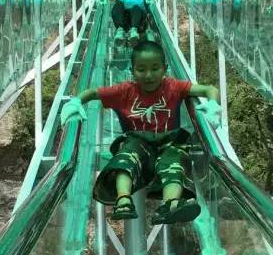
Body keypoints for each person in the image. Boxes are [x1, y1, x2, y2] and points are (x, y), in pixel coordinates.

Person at [60, 40, 221, 224]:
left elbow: (210, 89)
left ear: (165, 68)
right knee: (126, 155)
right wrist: (76, 102)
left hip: (169, 142)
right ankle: (123, 200)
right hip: (139, 142)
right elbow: (92, 93)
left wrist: (213, 104)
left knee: (175, 162)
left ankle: (171, 204)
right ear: (132, 70)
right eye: (141, 69)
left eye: (155, 68)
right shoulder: (125, 91)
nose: (148, 75)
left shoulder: (173, 86)